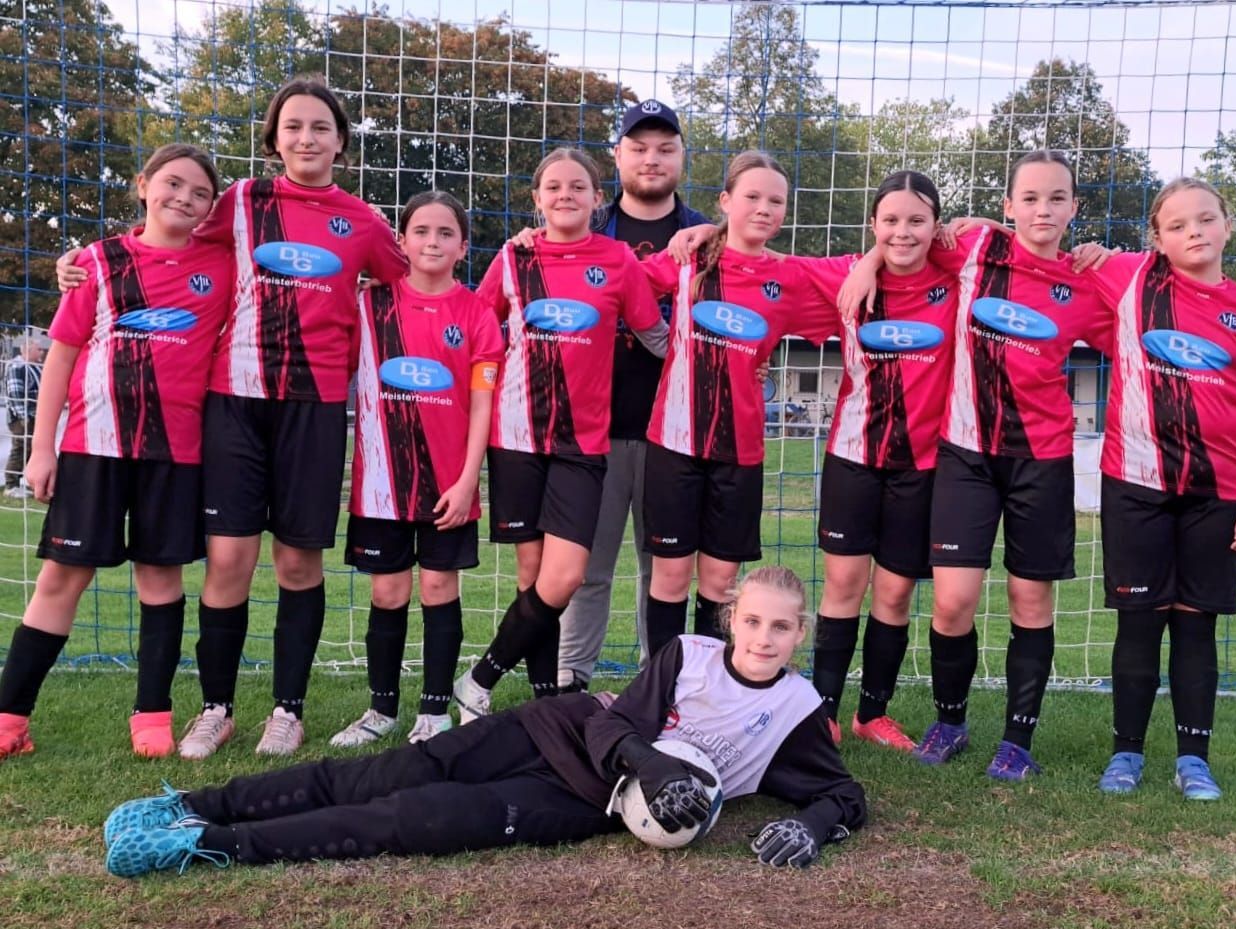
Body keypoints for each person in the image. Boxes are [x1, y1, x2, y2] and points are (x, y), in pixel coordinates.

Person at [57, 80, 410, 759]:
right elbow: (161, 236)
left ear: (341, 141)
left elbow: (411, 276)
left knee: (298, 562)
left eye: (321, 127)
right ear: (274, 139)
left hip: (313, 407)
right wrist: (81, 262)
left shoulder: (363, 221)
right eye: (293, 126)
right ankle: (215, 707)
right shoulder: (241, 200)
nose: (306, 138)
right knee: (228, 559)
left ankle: (287, 710)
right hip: (234, 402)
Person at [102, 566, 866, 876]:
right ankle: (194, 802)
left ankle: (211, 844)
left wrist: (812, 825)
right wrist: (658, 764)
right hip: (556, 729)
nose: (763, 638)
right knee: (381, 773)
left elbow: (843, 793)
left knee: (414, 818)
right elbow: (611, 727)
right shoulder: (688, 653)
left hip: (581, 801)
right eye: (753, 621)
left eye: (781, 627)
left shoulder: (795, 709)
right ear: (732, 619)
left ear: (800, 634)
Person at [843, 150, 1114, 780]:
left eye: (1057, 198)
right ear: (1008, 205)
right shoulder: (972, 251)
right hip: (964, 455)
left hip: (1042, 459)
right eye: (1030, 198)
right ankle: (951, 722)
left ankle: (1018, 742)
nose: (1043, 210)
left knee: (1029, 597)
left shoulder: (1086, 281)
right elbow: (904, 239)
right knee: (952, 602)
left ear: (1074, 207)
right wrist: (869, 259)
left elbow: (1138, 320)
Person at [0, 144, 233, 760]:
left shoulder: (224, 264)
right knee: (61, 577)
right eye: (173, 183)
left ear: (210, 208)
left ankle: (152, 717)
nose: (184, 198)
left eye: (200, 193)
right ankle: (9, 719)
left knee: (160, 578)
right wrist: (42, 449)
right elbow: (61, 357)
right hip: (92, 448)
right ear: (142, 185)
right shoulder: (97, 263)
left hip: (175, 453)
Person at [451, 148, 666, 720]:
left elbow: (656, 337)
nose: (565, 195)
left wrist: (721, 362)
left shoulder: (617, 259)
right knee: (531, 576)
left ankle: (479, 677)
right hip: (516, 438)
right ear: (537, 199)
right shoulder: (514, 256)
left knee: (565, 576)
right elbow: (475, 326)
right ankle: (547, 702)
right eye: (553, 187)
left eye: (577, 186)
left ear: (597, 199)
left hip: (583, 443)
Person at [1087, 179, 1236, 800]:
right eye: (1177, 225)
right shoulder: (1129, 277)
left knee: (1196, 627)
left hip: (1216, 492)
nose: (1194, 231)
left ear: (1228, 224)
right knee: (1139, 624)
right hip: (1135, 484)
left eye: (1205, 218)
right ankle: (1126, 755)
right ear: (1157, 238)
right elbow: (1038, 246)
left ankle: (1194, 761)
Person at [636, 151, 838, 662]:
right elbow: (621, 284)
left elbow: (865, 271)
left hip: (740, 450)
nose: (764, 208)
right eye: (752, 197)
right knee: (670, 575)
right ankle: (662, 684)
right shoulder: (690, 258)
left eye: (776, 201)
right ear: (726, 201)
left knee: (721, 580)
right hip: (674, 444)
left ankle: (709, 685)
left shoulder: (791, 276)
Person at [328, 191, 503, 748]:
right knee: (387, 593)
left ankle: (434, 711)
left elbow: (482, 404)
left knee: (438, 586)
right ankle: (380, 710)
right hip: (382, 484)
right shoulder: (368, 305)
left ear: (463, 246)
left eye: (445, 232)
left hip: (449, 483)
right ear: (401, 241)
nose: (432, 241)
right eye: (421, 230)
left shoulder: (476, 313)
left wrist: (468, 479)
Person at [803, 171, 959, 751]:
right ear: (872, 224)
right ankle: (821, 713)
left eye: (917, 220)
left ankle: (873, 714)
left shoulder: (957, 279)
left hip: (922, 465)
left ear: (936, 226)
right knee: (843, 584)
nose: (903, 232)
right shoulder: (843, 276)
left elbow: (1006, 242)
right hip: (853, 457)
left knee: (894, 594)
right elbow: (765, 264)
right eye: (890, 221)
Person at [556, 99, 709, 692]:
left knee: (663, 571)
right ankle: (571, 680)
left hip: (675, 432)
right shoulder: (582, 230)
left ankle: (658, 684)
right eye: (639, 148)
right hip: (589, 431)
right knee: (585, 569)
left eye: (665, 149)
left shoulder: (710, 238)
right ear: (617, 156)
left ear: (681, 157)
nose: (652, 159)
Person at [4, 336, 43, 498]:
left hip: (34, 416)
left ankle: (22, 482)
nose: (41, 352)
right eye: (38, 349)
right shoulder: (17, 367)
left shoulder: (35, 367)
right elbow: (15, 395)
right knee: (20, 448)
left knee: (31, 449)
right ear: (28, 350)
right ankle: (10, 485)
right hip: (22, 418)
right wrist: (24, 418)